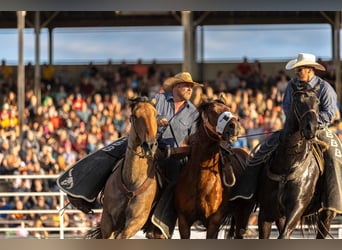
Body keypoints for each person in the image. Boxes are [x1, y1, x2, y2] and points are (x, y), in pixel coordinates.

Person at [230, 53, 342, 214]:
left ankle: (333, 200)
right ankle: (246, 192)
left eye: (300, 69)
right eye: (296, 69)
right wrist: (296, 123)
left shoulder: (325, 88)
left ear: (310, 70)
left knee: (334, 155)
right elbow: (287, 108)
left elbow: (329, 113)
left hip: (319, 129)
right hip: (293, 129)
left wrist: (310, 123)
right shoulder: (291, 85)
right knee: (262, 150)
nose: (296, 72)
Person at [146, 72, 202, 239]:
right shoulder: (159, 99)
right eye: (186, 85)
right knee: (118, 154)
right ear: (176, 86)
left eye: (191, 87)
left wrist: (179, 151)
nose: (190, 89)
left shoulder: (194, 113)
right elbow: (142, 118)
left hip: (173, 156)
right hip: (148, 148)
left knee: (175, 182)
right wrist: (155, 122)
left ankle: (162, 225)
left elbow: (193, 142)